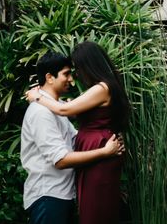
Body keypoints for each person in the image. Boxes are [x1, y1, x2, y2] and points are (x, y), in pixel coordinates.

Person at [26, 42, 130, 224]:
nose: (75, 77)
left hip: (96, 158)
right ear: (50, 78)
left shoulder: (102, 88)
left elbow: (65, 112)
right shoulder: (42, 112)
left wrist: (37, 96)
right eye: (67, 73)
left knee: (96, 213)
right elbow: (72, 132)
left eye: (77, 69)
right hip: (50, 191)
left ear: (88, 65)